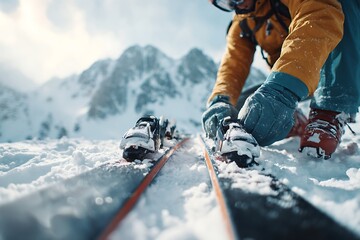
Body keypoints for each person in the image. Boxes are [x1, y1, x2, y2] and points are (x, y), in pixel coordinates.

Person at [202, 0, 360, 159]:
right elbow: (232, 66)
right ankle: (293, 119)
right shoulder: (243, 24)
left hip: (334, 69)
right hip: (293, 81)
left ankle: (329, 111)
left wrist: (283, 89)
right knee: (241, 109)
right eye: (225, 2)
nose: (237, 5)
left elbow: (319, 15)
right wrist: (220, 100)